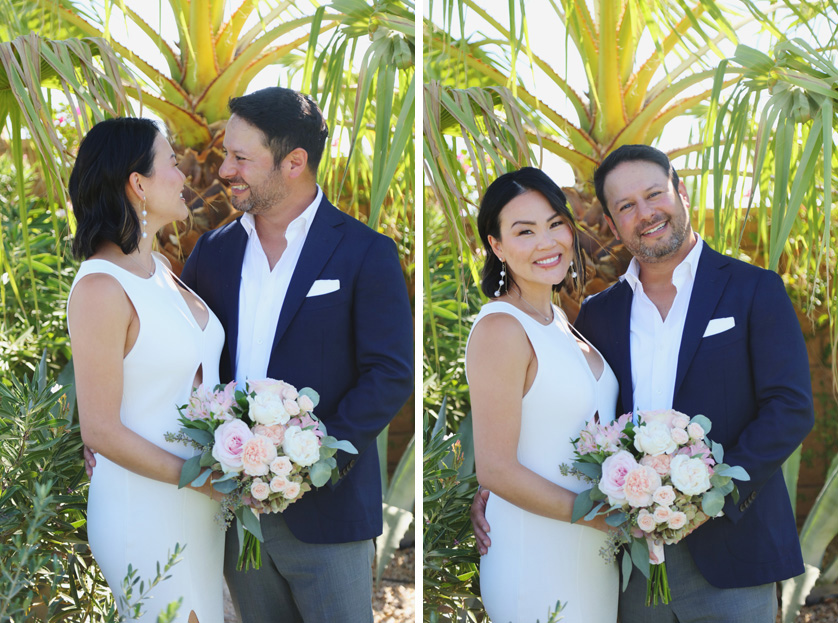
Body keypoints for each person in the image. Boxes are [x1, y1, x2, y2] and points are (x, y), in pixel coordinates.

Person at [471, 145, 815, 622]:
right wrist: (497, 488)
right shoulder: (597, 314)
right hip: (624, 566)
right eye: (625, 207)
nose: (645, 213)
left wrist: (706, 496)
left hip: (732, 551)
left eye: (654, 194)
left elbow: (790, 407)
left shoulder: (753, 289)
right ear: (611, 224)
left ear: (682, 191)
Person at [179, 87, 413, 622]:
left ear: (294, 162)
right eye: (225, 154)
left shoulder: (364, 251)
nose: (223, 169)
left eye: (241, 157)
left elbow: (390, 374)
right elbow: (179, 356)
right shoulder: (211, 252)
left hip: (329, 513)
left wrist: (313, 461)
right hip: (236, 515)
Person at [68, 118, 226, 622]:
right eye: (172, 164)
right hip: (146, 506)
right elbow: (100, 428)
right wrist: (199, 478)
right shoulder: (100, 288)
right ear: (138, 183)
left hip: (198, 506)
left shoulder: (158, 271)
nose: (185, 177)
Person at [466, 167, 619, 623]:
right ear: (496, 246)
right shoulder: (501, 328)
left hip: (592, 553)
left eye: (555, 224)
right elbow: (495, 467)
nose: (546, 242)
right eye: (524, 231)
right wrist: (600, 516)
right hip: (536, 554)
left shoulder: (559, 321)